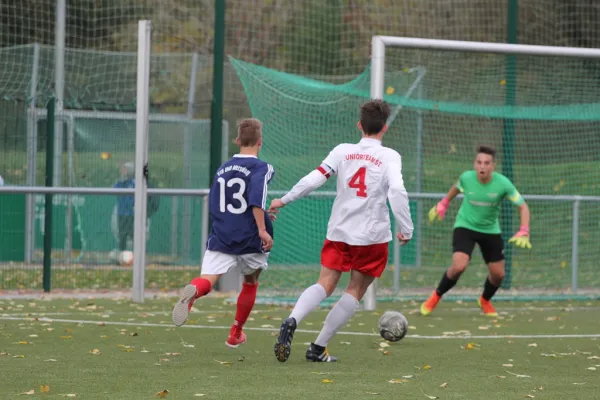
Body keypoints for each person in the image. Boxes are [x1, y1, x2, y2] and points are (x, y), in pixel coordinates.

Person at [268, 99, 413, 363]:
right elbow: (397, 191)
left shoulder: (343, 151)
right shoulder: (390, 156)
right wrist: (406, 226)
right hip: (371, 236)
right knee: (355, 290)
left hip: (339, 231)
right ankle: (317, 347)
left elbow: (314, 178)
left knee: (324, 283)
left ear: (360, 125)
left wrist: (284, 199)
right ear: (385, 128)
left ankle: (292, 319)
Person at [172, 118, 275, 349]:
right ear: (260, 142)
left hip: (222, 236)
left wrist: (261, 215)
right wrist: (262, 228)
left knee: (209, 279)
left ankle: (194, 291)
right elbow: (255, 200)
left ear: (237, 141)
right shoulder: (262, 167)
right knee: (251, 281)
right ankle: (236, 332)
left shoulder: (223, 168)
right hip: (250, 238)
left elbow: (228, 203)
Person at [420, 145, 531, 317]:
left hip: (490, 230)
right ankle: (435, 296)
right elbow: (456, 188)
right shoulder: (466, 178)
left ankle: (485, 300)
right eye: (479, 162)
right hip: (465, 226)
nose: (482, 166)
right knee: (459, 266)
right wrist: (444, 203)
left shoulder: (503, 183)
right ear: (474, 164)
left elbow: (523, 207)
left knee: (498, 275)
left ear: (493, 166)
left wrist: (524, 229)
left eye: (487, 163)